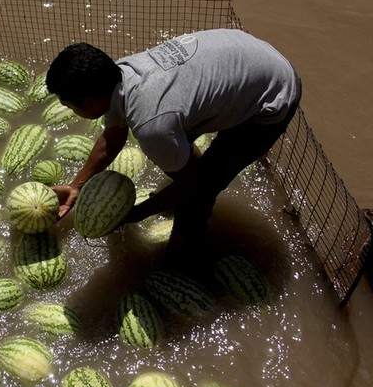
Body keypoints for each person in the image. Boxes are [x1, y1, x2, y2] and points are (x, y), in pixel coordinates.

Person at [46, 28, 302, 260]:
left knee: (198, 196)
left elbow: (195, 186)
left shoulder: (152, 125)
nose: (69, 109)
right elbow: (112, 139)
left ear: (90, 103)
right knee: (182, 157)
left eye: (68, 105)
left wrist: (134, 215)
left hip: (273, 93)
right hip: (246, 54)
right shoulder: (121, 74)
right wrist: (76, 186)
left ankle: (182, 263)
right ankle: (189, 166)